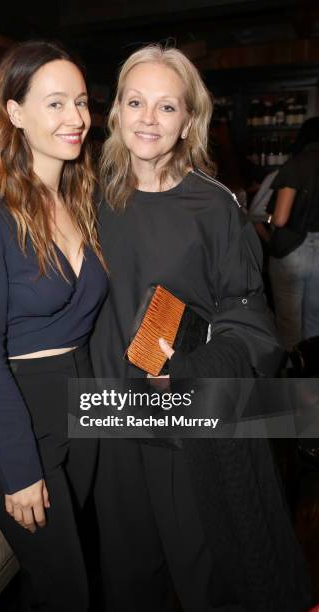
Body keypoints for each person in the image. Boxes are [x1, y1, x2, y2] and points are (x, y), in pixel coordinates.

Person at [90, 44, 311, 612]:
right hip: (104, 418)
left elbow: (252, 324)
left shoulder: (214, 208)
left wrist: (189, 372)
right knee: (128, 577)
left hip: (181, 420)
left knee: (201, 578)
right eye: (135, 101)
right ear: (115, 111)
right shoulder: (83, 196)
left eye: (167, 107)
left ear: (189, 119)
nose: (147, 118)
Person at [0, 40, 107, 611]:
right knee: (69, 590)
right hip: (20, 421)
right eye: (56, 103)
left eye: (82, 102)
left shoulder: (83, 201)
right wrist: (18, 469)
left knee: (56, 581)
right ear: (14, 113)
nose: (76, 119)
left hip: (83, 407)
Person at [268, 117, 319, 351]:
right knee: (315, 324)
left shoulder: (296, 165)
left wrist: (266, 219)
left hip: (293, 250)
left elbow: (280, 218)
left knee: (289, 325)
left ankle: (291, 383)